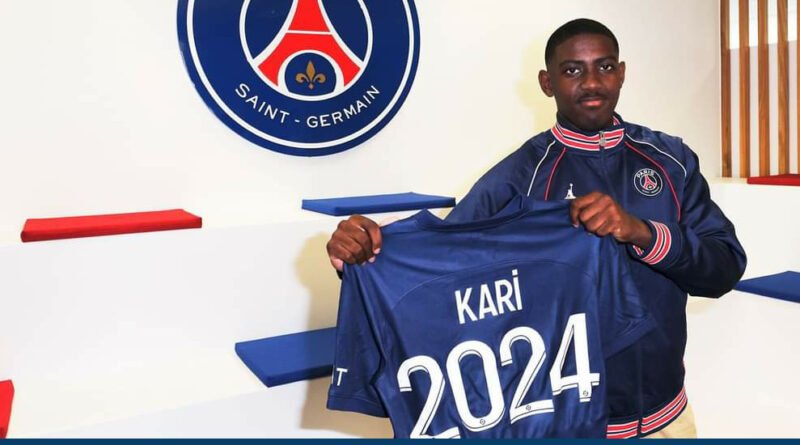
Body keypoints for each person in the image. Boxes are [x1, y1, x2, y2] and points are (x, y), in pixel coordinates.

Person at [325, 18, 746, 439]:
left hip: (668, 419)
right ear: (547, 83)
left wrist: (642, 233)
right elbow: (442, 269)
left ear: (622, 73)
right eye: (572, 70)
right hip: (566, 427)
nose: (592, 82)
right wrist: (364, 252)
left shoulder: (670, 161)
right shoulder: (518, 177)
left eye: (604, 67)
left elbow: (724, 268)